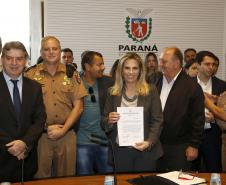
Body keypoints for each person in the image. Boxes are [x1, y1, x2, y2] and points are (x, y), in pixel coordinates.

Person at [25, 36, 87, 178]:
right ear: (41, 52)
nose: (51, 52)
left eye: (54, 49)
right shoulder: (30, 74)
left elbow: (79, 106)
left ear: (60, 51)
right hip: (39, 137)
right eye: (47, 49)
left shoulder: (72, 74)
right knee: (39, 178)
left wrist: (63, 130)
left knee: (67, 178)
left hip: (67, 134)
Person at [101, 52, 163, 172]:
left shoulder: (151, 90)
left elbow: (158, 120)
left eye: (135, 68)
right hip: (121, 152)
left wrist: (149, 142)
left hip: (145, 149)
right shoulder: (112, 92)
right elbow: (103, 121)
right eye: (127, 68)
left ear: (141, 70)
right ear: (121, 70)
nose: (131, 72)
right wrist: (109, 120)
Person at [149, 47, 205, 172]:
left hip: (181, 147)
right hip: (156, 145)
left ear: (177, 63)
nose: (161, 65)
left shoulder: (192, 87)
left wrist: (194, 145)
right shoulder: (155, 82)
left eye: (164, 61)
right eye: (161, 61)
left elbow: (198, 119)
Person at [0, 41, 46, 182]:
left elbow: (40, 119)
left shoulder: (35, 87)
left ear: (25, 61)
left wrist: (24, 143)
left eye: (19, 58)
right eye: (9, 58)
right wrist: (11, 146)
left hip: (26, 160)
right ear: (2, 59)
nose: (14, 63)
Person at [76, 51, 113, 175]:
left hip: (104, 142)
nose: (103, 67)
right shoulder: (75, 82)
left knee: (109, 180)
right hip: (82, 143)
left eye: (103, 64)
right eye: (99, 64)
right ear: (87, 66)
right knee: (85, 181)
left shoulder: (108, 82)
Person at [195, 50, 226, 172]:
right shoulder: (187, 84)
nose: (211, 67)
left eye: (213, 64)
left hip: (213, 134)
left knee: (214, 171)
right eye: (207, 64)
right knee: (190, 172)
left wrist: (215, 116)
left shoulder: (222, 85)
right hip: (192, 135)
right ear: (198, 64)